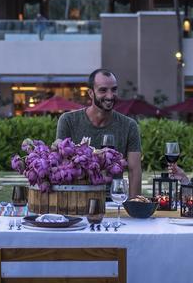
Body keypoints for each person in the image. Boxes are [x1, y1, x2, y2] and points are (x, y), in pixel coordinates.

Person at [55, 68, 143, 197]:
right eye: (103, 90)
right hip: (77, 197)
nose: (110, 95)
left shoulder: (129, 125)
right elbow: (61, 165)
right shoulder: (68, 120)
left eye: (114, 89)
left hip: (114, 198)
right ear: (91, 93)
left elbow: (134, 170)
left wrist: (134, 205)